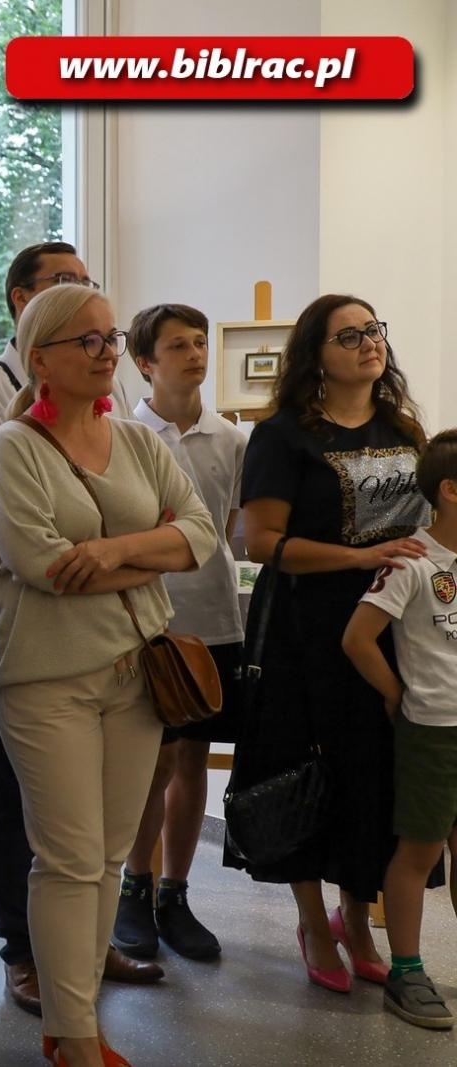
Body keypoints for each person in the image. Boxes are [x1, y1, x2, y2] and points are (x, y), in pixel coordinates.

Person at [0, 284, 217, 1067]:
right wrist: (153, 553)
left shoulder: (141, 444)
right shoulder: (12, 448)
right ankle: (72, 1032)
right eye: (89, 340)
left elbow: (203, 537)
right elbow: (43, 566)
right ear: (38, 357)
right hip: (49, 682)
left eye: (112, 338)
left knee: (108, 855)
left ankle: (77, 1018)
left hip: (136, 677)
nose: (107, 351)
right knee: (69, 857)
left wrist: (112, 552)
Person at [0, 242, 155, 1016]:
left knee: (98, 839)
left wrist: (117, 556)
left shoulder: (114, 413)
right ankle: (25, 951)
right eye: (64, 287)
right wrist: (137, 556)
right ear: (23, 303)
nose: (100, 339)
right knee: (19, 795)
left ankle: (81, 956)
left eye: (90, 288)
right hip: (24, 624)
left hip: (120, 638)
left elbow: (184, 529)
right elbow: (18, 539)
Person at [227, 294, 430, 998]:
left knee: (372, 771)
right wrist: (361, 556)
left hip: (393, 628)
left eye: (374, 328)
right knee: (308, 772)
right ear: (316, 354)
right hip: (306, 630)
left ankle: (358, 917)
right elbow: (260, 544)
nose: (368, 342)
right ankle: (314, 921)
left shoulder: (402, 426)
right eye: (349, 334)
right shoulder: (283, 435)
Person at [110, 304, 246, 963]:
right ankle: (133, 885)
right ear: (145, 361)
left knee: (194, 757)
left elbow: (238, 531)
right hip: (146, 617)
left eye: (201, 342)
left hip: (215, 614)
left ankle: (176, 891)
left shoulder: (231, 437)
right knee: (150, 759)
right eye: (177, 345)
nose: (194, 354)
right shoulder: (125, 435)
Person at [343, 429, 457, 1029]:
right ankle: (407, 971)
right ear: (451, 491)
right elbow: (356, 638)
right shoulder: (412, 560)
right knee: (418, 851)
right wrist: (397, 693)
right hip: (433, 731)